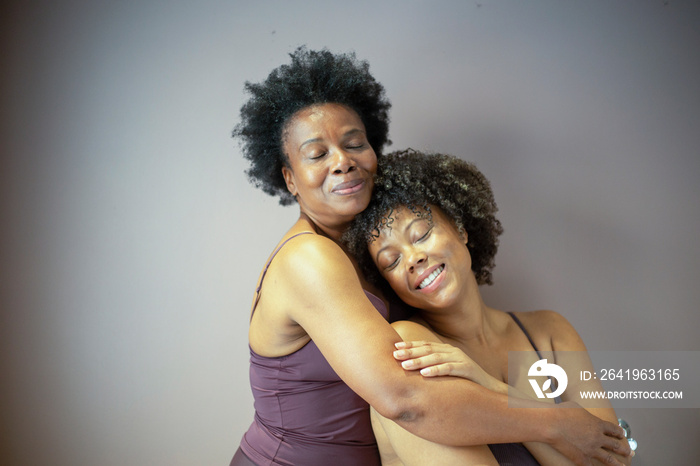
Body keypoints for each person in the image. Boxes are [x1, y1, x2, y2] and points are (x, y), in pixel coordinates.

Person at [230, 47, 631, 466]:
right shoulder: (309, 259)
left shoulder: (360, 250)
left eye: (354, 143)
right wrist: (557, 423)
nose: (343, 162)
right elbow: (406, 399)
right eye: (317, 154)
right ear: (290, 178)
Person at [344, 149, 632, 465]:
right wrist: (558, 425)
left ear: (461, 229)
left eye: (422, 234)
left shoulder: (549, 333)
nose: (413, 259)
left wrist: (485, 382)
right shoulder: (412, 347)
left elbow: (613, 460)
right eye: (392, 261)